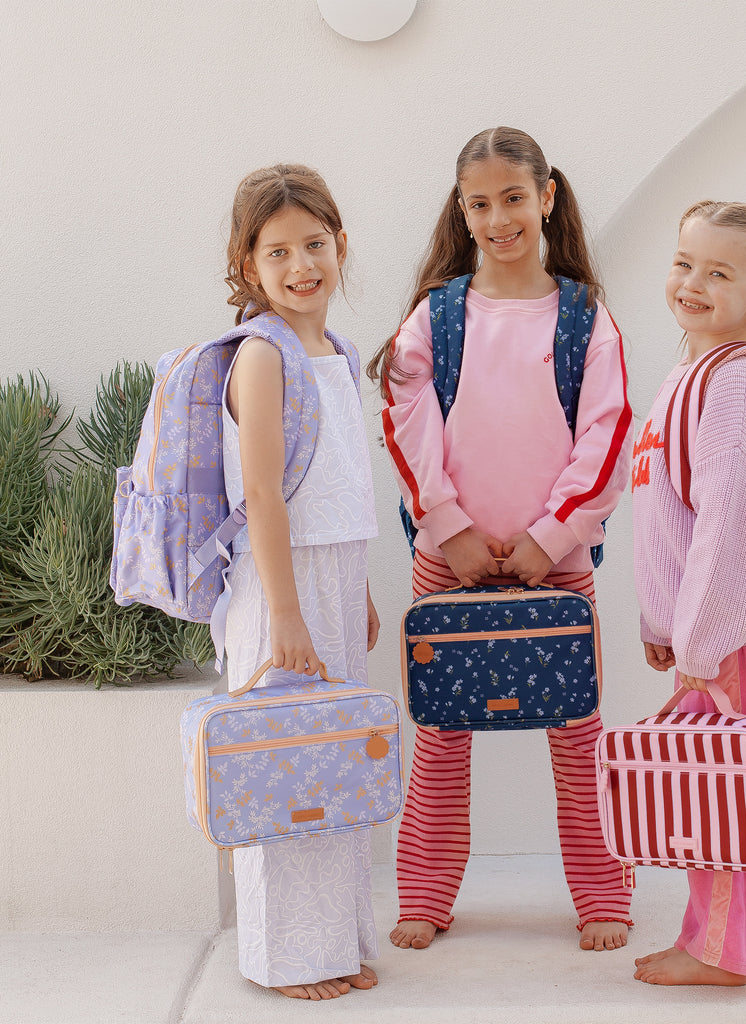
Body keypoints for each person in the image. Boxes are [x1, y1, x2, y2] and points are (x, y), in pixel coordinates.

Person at [368, 126, 634, 951]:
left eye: (513, 198)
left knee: (578, 740)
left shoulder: (586, 318)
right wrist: (449, 531)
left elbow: (608, 434)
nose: (498, 218)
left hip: (557, 568)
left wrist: (552, 537)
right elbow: (405, 426)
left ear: (546, 196)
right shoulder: (435, 318)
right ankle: (425, 895)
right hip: (447, 566)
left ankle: (604, 898)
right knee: (441, 739)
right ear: (462, 209)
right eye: (479, 203)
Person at [631, 200, 746, 986]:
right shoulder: (694, 374)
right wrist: (659, 620)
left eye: (719, 272)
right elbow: (669, 514)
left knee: (722, 790)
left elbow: (736, 516)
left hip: (727, 631)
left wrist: (701, 640)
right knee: (705, 784)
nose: (693, 282)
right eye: (684, 262)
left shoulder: (736, 383)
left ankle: (719, 951)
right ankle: (712, 942)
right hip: (706, 628)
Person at [220, 164, 381, 1000]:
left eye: (313, 244)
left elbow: (339, 482)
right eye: (277, 251)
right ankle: (286, 957)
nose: (300, 265)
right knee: (282, 768)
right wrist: (286, 611)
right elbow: (262, 495)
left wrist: (356, 592)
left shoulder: (340, 352)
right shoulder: (261, 354)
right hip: (280, 585)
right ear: (249, 265)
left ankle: (337, 942)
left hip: (332, 574)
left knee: (335, 765)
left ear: (340, 245)